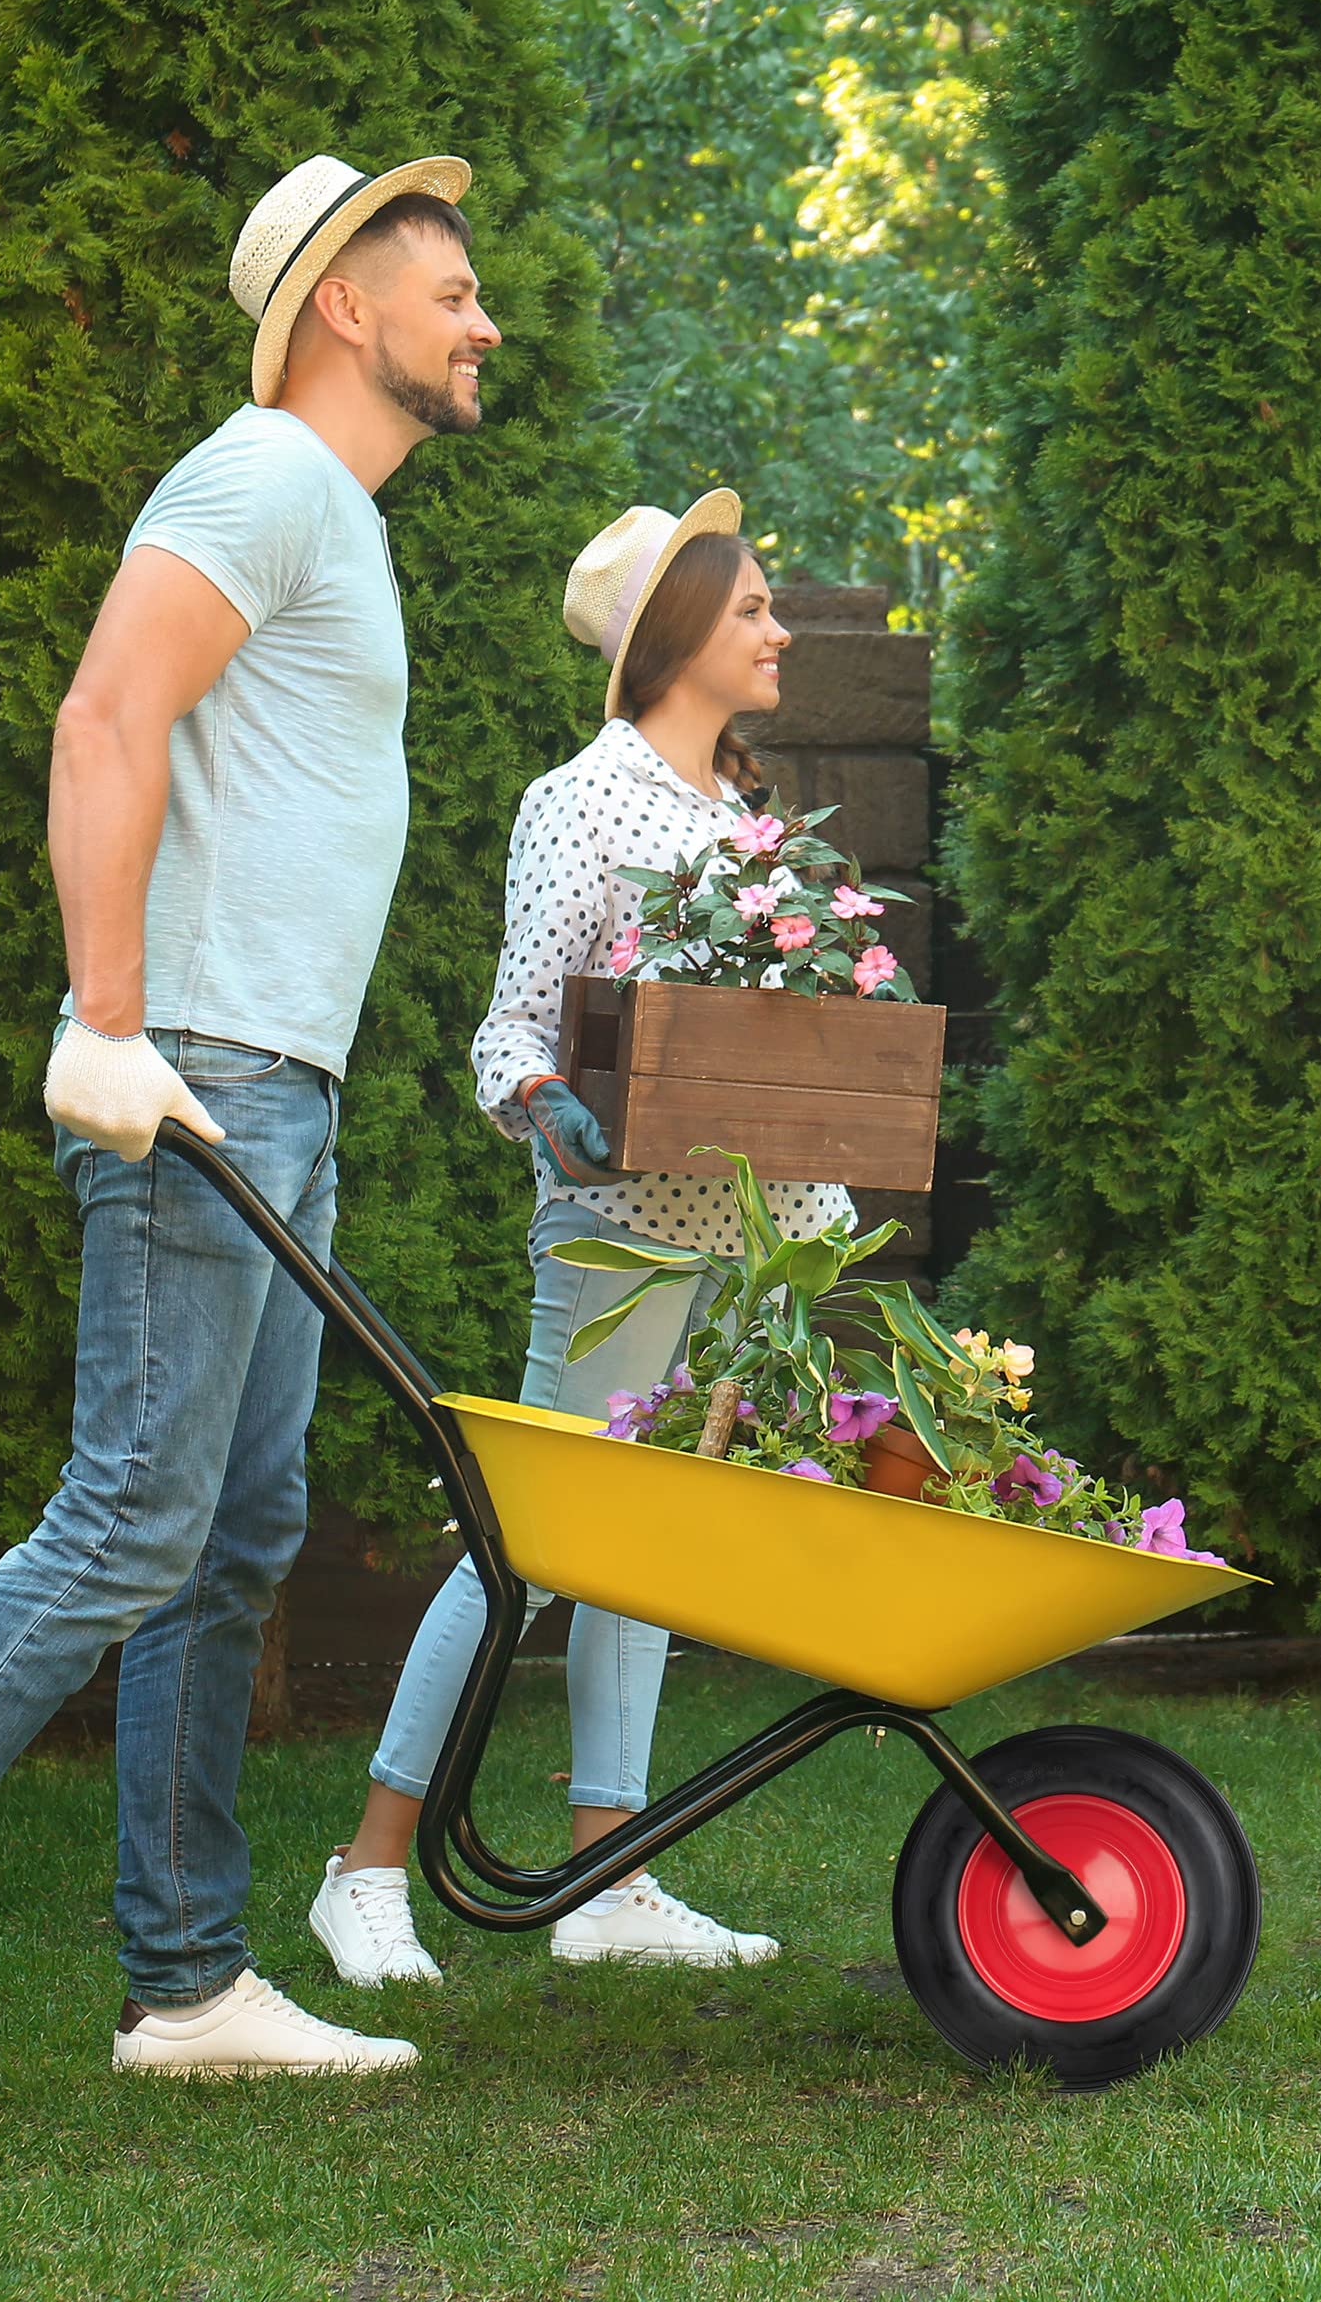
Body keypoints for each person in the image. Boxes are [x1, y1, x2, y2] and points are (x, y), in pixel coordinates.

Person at [0, 152, 498, 2139]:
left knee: (231, 1537)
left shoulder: (332, 515)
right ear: (340, 301)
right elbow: (103, 718)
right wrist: (112, 1016)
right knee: (132, 1520)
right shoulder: (257, 476)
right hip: (196, 1072)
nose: (484, 319)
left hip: (271, 1088)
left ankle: (185, 1975)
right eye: (452, 288)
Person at [307, 495, 848, 1985]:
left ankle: (609, 1876)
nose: (778, 630)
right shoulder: (584, 801)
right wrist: (548, 1104)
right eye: (750, 610)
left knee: (648, 1547)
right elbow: (511, 1027)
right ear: (678, 632)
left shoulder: (745, 821)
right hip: (617, 1237)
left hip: (739, 1240)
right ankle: (364, 1869)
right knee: (529, 1538)